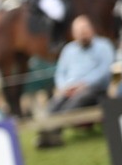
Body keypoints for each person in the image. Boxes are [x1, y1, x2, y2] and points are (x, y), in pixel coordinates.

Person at [38, 15, 115, 148]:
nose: (82, 34)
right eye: (79, 32)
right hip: (69, 88)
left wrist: (84, 84)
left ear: (92, 29)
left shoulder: (104, 46)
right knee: (55, 103)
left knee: (78, 99)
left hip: (95, 89)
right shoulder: (69, 50)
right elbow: (60, 73)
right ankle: (44, 133)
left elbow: (105, 71)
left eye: (85, 30)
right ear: (74, 34)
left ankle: (54, 132)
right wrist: (65, 87)